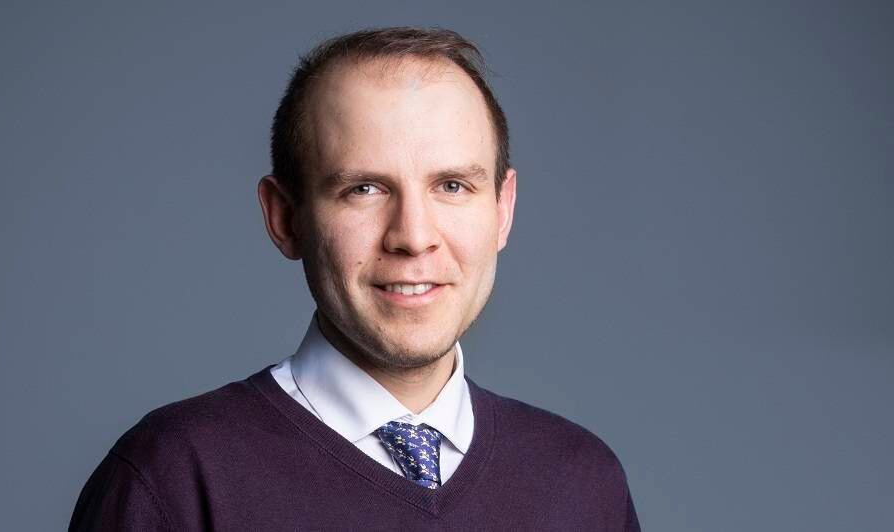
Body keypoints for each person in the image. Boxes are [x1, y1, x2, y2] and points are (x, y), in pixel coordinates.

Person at [69, 27, 640, 531]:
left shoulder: (582, 483)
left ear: (502, 209)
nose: (413, 236)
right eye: (364, 189)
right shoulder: (173, 478)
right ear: (284, 218)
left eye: (452, 186)